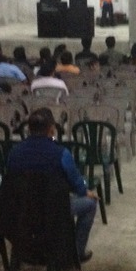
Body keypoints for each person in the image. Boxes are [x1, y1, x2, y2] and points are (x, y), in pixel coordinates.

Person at [7, 107, 98, 262]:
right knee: (90, 204)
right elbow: (76, 182)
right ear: (51, 129)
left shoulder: (14, 152)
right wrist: (85, 192)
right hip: (53, 209)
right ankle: (76, 252)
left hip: (21, 208)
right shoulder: (61, 154)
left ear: (29, 129)